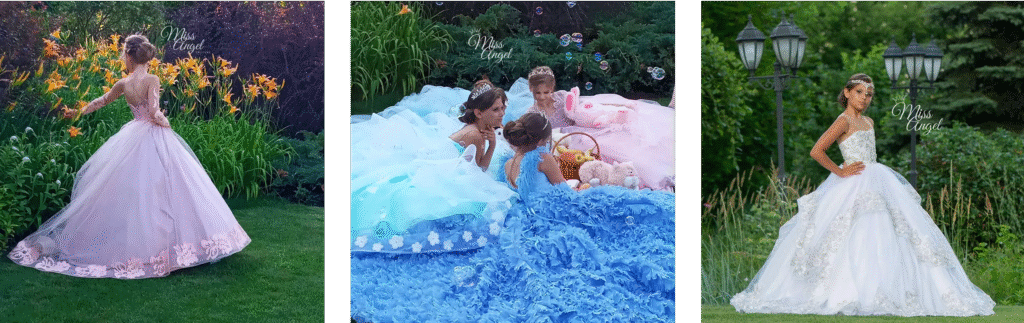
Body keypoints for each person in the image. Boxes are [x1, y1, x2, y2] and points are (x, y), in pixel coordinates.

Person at [349, 112, 676, 322]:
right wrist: (582, 189)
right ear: (543, 139)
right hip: (552, 208)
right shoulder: (544, 157)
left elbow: (521, 191)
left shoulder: (508, 163)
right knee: (610, 209)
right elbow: (561, 190)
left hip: (524, 212)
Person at [730, 73, 995, 316]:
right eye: (859, 92)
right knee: (848, 233)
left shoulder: (868, 121)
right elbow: (816, 150)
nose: (865, 99)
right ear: (847, 93)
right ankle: (846, 291)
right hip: (853, 181)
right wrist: (840, 172)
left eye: (869, 95)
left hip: (878, 179)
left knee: (894, 231)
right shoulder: (843, 120)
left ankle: (890, 290)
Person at [7, 34, 250, 279]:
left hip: (133, 136)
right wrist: (165, 122)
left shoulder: (124, 83)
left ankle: (134, 244)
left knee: (133, 190)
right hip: (154, 135)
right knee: (169, 187)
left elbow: (101, 101)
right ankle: (171, 247)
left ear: (129, 56)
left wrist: (77, 111)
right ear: (146, 57)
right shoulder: (152, 79)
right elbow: (154, 111)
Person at [350, 78, 515, 254]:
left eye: (502, 108)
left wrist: (492, 145)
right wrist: (491, 146)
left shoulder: (480, 131)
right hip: (438, 171)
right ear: (479, 113)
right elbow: (479, 170)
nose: (502, 113)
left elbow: (477, 167)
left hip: (448, 169)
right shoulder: (474, 134)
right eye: (496, 109)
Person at [524, 66, 675, 190]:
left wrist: (617, 106)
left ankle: (635, 175)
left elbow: (583, 108)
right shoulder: (533, 112)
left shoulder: (561, 97)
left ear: (553, 88)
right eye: (538, 93)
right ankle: (610, 180)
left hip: (583, 130)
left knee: (616, 140)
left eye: (546, 92)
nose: (542, 97)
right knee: (592, 150)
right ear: (531, 89)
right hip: (563, 142)